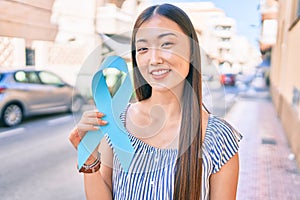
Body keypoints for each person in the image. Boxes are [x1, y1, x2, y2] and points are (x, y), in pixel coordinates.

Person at [69, 3, 242, 200]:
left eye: (166, 44)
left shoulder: (220, 138)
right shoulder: (117, 121)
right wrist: (89, 160)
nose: (154, 59)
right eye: (142, 48)